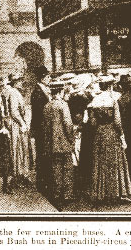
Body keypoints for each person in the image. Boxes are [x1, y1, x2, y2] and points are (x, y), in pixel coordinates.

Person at [87, 75, 131, 204]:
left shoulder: (94, 100)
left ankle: (101, 193)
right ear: (110, 85)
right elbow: (118, 122)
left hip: (99, 134)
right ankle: (117, 193)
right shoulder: (114, 99)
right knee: (115, 162)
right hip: (111, 132)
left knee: (100, 163)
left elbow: (92, 123)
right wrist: (122, 135)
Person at [43, 80, 75, 208]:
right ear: (61, 91)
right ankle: (67, 195)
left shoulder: (47, 106)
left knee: (55, 169)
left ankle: (57, 194)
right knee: (67, 169)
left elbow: (45, 127)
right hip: (64, 142)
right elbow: (68, 124)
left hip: (51, 143)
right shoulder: (63, 105)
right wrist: (71, 139)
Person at [30, 65, 51, 193]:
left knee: (44, 154)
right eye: (48, 76)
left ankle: (45, 181)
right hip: (41, 128)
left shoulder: (43, 89)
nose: (49, 78)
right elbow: (40, 114)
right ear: (42, 78)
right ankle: (42, 183)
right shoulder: (38, 92)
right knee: (42, 154)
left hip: (43, 128)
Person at [8, 74, 31, 188]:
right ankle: (17, 177)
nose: (21, 83)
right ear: (14, 82)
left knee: (22, 149)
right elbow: (14, 111)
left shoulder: (17, 92)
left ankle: (22, 175)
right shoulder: (13, 92)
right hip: (16, 125)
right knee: (18, 149)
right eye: (19, 81)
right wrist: (22, 123)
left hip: (19, 123)